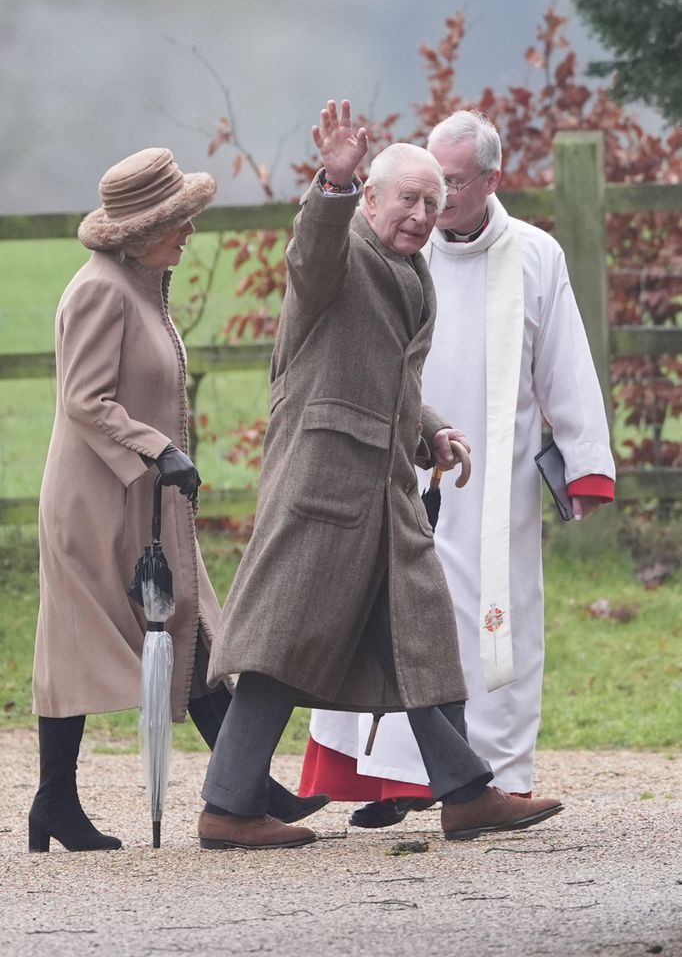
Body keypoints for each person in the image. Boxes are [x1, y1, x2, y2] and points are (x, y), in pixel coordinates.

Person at [197, 100, 563, 851]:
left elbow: (383, 373)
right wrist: (330, 185)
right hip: (323, 489)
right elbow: (308, 256)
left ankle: (466, 794)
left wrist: (430, 431)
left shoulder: (407, 268)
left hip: (383, 493)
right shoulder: (341, 256)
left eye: (433, 202)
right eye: (409, 199)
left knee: (424, 636)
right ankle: (227, 808)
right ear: (370, 197)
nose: (423, 215)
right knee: (280, 643)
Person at [300, 109, 615, 829]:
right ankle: (390, 780)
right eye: (426, 185)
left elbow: (564, 361)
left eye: (451, 185)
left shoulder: (535, 255)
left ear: (493, 180)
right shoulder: (395, 246)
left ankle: (487, 781)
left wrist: (586, 464)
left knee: (494, 626)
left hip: (493, 482)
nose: (432, 203)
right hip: (395, 465)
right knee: (383, 613)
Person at [29, 147, 327, 853]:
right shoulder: (102, 290)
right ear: (139, 232)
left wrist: (162, 460)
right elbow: (84, 399)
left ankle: (245, 788)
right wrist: (159, 448)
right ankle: (57, 803)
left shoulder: (140, 283)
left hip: (143, 498)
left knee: (191, 634)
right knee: (78, 645)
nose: (190, 231)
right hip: (97, 505)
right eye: (178, 220)